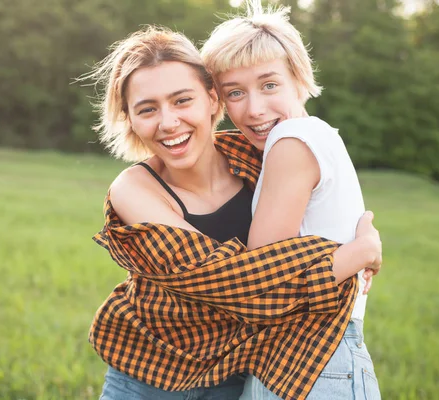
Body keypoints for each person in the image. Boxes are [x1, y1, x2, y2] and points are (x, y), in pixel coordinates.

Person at [78, 26, 382, 400]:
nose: (168, 122)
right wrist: (356, 253)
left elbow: (324, 210)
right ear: (130, 118)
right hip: (151, 380)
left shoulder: (261, 155)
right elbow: (233, 285)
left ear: (211, 97)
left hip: (242, 378)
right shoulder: (135, 189)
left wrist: (354, 240)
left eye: (181, 100)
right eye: (147, 109)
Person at [201, 1, 381, 399]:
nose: (254, 109)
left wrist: (365, 249)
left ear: (299, 78)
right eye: (235, 92)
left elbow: (263, 281)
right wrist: (363, 249)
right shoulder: (316, 137)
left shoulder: (291, 141)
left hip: (314, 356)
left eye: (269, 85)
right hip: (303, 356)